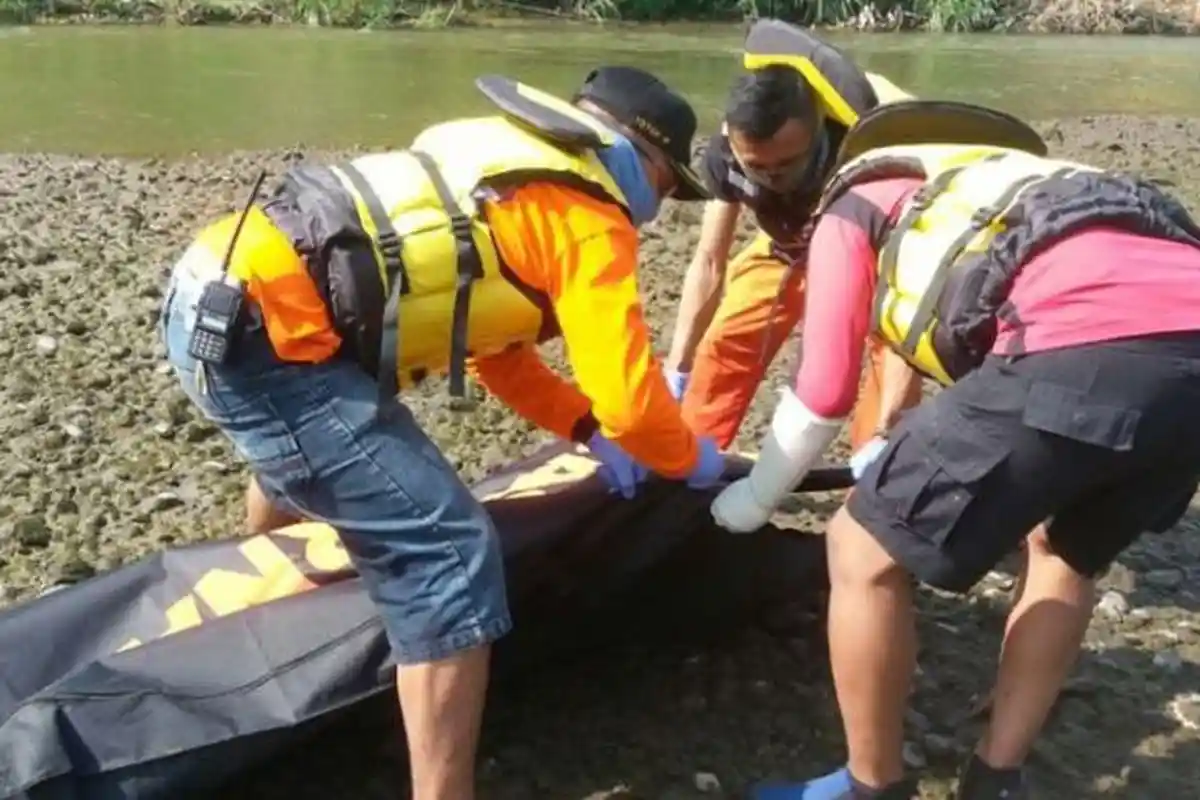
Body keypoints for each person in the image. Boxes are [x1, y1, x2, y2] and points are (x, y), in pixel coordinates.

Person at [159, 66, 726, 800]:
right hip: (267, 340)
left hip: (216, 292)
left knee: (308, 456)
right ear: (648, 164)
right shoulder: (589, 216)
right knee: (450, 552)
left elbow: (500, 355)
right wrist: (685, 457)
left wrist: (588, 430)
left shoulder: (502, 161)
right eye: (673, 186)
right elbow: (632, 398)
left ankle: (261, 593)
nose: (666, 203)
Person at [709, 99, 1200, 799]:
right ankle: (997, 780)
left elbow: (822, 393)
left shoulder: (859, 200)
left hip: (1078, 341)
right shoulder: (1022, 178)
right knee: (1064, 553)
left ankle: (869, 785)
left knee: (858, 546)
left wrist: (752, 499)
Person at [662, 18, 921, 455]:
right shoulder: (725, 156)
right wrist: (677, 365)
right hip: (785, 245)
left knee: (882, 361)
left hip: (871, 257)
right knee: (729, 338)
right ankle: (689, 457)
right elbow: (709, 260)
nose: (772, 177)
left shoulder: (866, 156)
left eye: (786, 165)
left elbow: (910, 295)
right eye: (757, 168)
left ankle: (877, 468)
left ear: (818, 128)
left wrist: (891, 419)